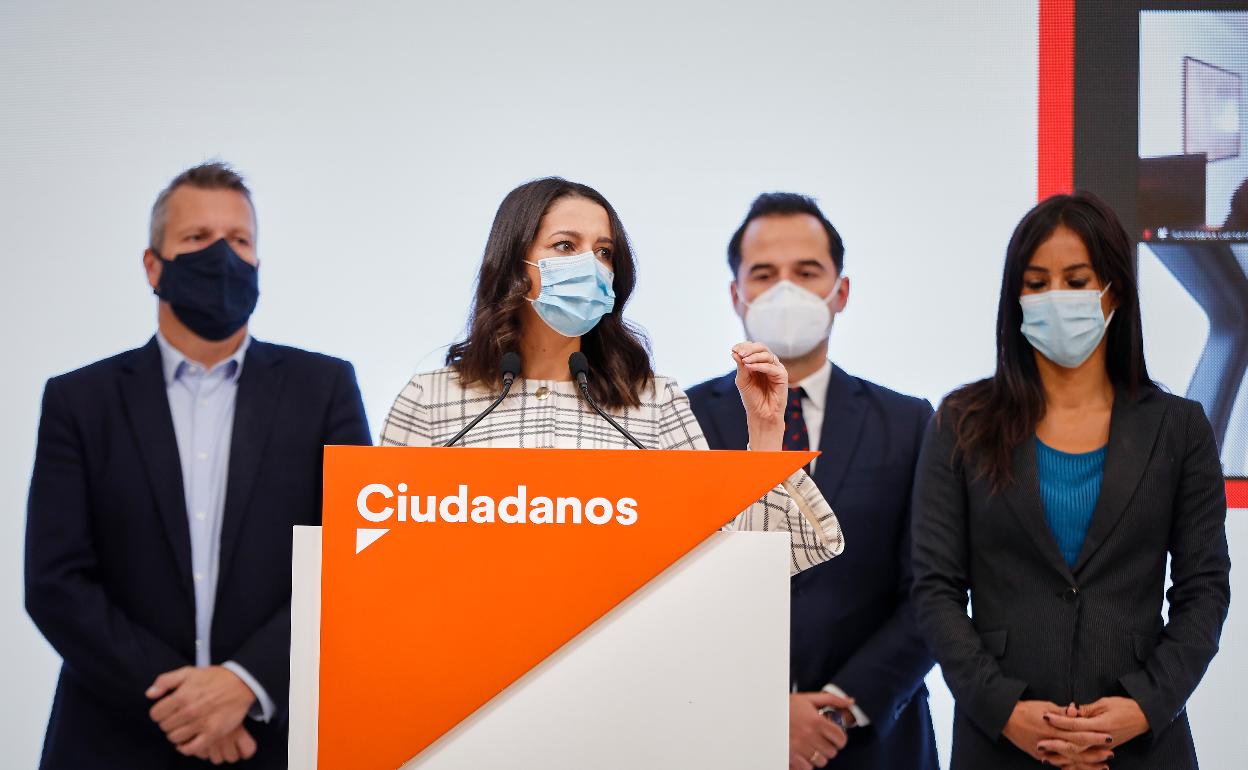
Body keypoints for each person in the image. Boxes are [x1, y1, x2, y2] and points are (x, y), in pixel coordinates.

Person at [25, 162, 371, 768]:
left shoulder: (325, 389)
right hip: (111, 742)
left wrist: (246, 683)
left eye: (239, 240)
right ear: (152, 266)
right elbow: (55, 582)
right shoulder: (79, 401)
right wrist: (188, 706)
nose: (222, 256)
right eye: (197, 238)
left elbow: (353, 557)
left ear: (258, 261)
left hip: (274, 742)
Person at [380, 177, 844, 575]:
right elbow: (377, 549)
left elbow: (737, 565)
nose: (591, 265)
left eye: (603, 252)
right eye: (566, 246)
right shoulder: (429, 398)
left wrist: (765, 434)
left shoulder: (654, 401)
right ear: (514, 265)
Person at [911, 191, 1230, 769]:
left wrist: (1145, 705)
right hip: (1001, 744)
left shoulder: (1179, 427)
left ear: (1114, 290)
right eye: (1036, 283)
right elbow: (934, 589)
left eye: (1077, 280)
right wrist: (1004, 710)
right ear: (1015, 298)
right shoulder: (961, 422)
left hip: (1142, 746)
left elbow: (1204, 589)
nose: (1055, 297)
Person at [686, 193, 938, 770]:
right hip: (723, 740)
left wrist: (835, 712)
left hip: (875, 745)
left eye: (806, 273)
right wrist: (760, 710)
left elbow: (931, 593)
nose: (786, 290)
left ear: (840, 291)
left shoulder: (908, 423)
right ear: (737, 295)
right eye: (764, 274)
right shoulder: (682, 421)